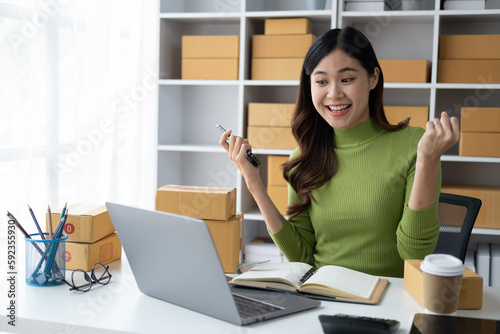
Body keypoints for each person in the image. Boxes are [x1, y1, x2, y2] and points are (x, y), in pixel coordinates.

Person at [219, 27, 460, 278]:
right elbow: (301, 255)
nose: (333, 94)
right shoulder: (303, 158)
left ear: (373, 78)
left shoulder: (417, 147)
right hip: (324, 295)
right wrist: (253, 181)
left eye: (346, 79)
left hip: (389, 301)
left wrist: (428, 161)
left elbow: (413, 253)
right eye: (321, 81)